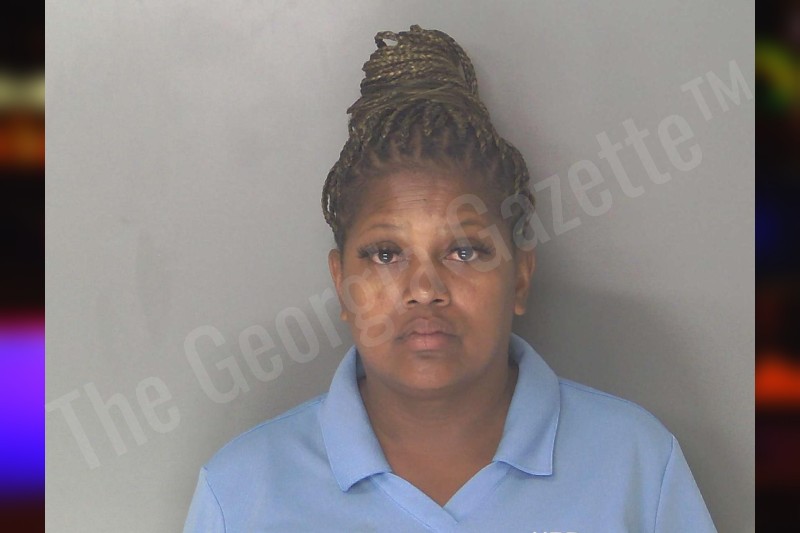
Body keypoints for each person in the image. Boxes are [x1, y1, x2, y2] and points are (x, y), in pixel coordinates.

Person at [183, 25, 717, 532]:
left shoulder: (637, 466)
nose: (424, 289)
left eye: (465, 251)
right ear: (342, 283)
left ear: (521, 276)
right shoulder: (243, 493)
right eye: (386, 254)